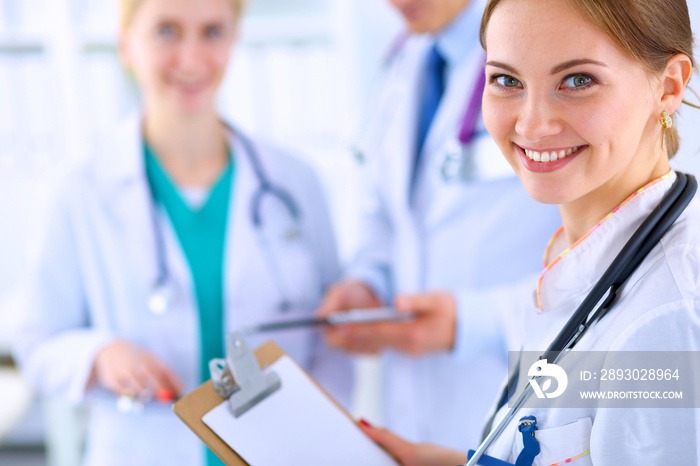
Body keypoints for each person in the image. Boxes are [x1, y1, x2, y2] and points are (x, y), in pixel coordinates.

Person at [358, 0, 700, 463]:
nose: (532, 124)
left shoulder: (665, 318)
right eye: (506, 80)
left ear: (669, 86)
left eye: (578, 80)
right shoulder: (574, 262)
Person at [13, 0, 350, 465]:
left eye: (212, 32)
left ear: (234, 38)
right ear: (126, 40)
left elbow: (331, 336)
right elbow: (36, 343)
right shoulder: (78, 191)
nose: (191, 59)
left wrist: (317, 435)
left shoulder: (294, 182)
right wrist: (100, 354)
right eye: (167, 31)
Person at [316, 0, 561, 449]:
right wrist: (368, 282)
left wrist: (474, 322)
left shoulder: (551, 46)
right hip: (416, 411)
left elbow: (615, 246)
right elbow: (389, 215)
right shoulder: (403, 62)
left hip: (529, 391)